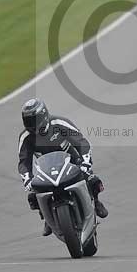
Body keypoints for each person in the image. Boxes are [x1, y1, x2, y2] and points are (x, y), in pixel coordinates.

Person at [18, 98, 108, 237]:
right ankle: (46, 217)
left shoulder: (59, 124)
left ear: (43, 116)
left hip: (72, 162)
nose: (31, 125)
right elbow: (24, 162)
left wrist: (85, 163)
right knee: (33, 196)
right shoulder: (26, 137)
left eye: (34, 120)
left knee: (93, 180)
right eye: (28, 121)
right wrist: (27, 180)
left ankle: (96, 202)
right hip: (46, 170)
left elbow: (82, 142)